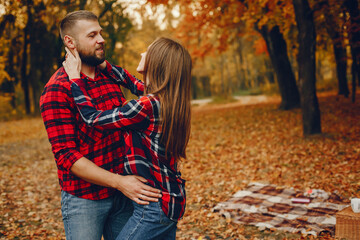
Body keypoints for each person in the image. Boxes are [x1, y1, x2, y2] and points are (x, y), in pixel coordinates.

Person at [39, 10, 161, 240]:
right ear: (70, 42)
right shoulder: (57, 89)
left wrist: (123, 184)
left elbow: (149, 93)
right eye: (92, 35)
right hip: (85, 200)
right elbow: (67, 156)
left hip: (123, 194)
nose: (101, 39)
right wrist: (120, 183)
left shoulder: (108, 75)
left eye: (101, 33)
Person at [62, 37, 192, 239]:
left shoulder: (146, 105)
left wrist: (74, 79)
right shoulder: (169, 99)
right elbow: (130, 81)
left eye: (147, 51)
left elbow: (92, 118)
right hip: (170, 198)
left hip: (153, 207)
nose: (141, 53)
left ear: (156, 62)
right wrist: (103, 64)